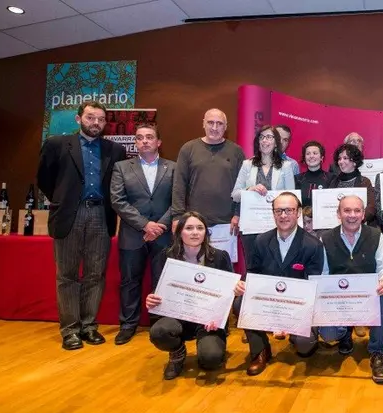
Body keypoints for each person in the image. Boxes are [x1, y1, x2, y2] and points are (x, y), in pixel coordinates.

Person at [37, 101, 127, 350]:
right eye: (90, 117)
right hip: (69, 215)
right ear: (79, 119)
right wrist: (63, 200)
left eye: (100, 119)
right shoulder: (57, 144)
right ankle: (70, 330)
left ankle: (88, 326)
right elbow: (44, 178)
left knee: (95, 274)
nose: (95, 123)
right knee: (66, 275)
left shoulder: (115, 150)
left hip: (101, 215)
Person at [232, 193, 325, 376]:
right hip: (269, 303)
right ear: (273, 213)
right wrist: (243, 285)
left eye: (289, 210)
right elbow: (253, 273)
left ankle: (297, 337)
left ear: (298, 213)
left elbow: (313, 287)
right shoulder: (260, 241)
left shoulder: (313, 245)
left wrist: (286, 319)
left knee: (304, 347)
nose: (284, 215)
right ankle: (260, 351)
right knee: (240, 302)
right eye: (279, 211)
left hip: (299, 307)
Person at [145, 212, 234, 380]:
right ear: (179, 233)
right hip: (177, 318)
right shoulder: (165, 257)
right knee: (159, 332)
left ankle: (208, 348)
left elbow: (227, 295)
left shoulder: (220, 257)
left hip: (209, 322)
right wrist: (151, 298)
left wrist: (218, 317)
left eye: (200, 228)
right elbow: (158, 290)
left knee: (211, 359)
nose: (195, 232)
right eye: (189, 228)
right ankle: (177, 353)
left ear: (206, 233)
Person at [109, 123, 175, 345]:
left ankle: (159, 324)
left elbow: (178, 202)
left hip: (164, 235)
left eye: (149, 137)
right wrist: (146, 225)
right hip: (132, 235)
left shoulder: (173, 168)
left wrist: (160, 226)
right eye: (140, 138)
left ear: (159, 142)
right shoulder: (121, 167)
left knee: (162, 281)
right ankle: (128, 324)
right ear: (135, 142)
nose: (144, 141)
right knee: (129, 281)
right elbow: (118, 201)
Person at [317, 196, 383, 384]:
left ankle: (377, 352)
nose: (352, 215)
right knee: (328, 335)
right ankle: (344, 333)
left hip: (368, 297)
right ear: (338, 214)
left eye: (357, 211)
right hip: (339, 298)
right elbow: (324, 273)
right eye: (347, 211)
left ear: (363, 214)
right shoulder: (325, 238)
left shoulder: (376, 235)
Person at [171, 108, 245, 234]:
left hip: (227, 223)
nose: (215, 127)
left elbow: (243, 187)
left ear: (226, 127)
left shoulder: (236, 151)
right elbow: (179, 185)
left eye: (220, 123)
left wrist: (238, 214)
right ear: (203, 123)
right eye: (210, 122)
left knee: (224, 255)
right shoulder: (188, 149)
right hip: (194, 221)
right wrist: (177, 216)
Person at [231, 125, 295, 265]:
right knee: (253, 266)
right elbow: (235, 195)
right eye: (262, 137)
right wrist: (249, 189)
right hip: (250, 225)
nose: (265, 141)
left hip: (276, 225)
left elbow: (292, 198)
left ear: (276, 142)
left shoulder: (286, 166)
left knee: (275, 266)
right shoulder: (247, 165)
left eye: (269, 137)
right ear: (258, 142)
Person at [327, 143, 377, 226]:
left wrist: (356, 219)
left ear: (354, 162)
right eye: (339, 159)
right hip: (337, 227)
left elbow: (371, 208)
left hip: (359, 226)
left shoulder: (364, 181)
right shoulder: (334, 182)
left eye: (345, 158)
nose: (341, 162)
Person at [295, 141, 331, 207]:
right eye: (308, 154)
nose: (311, 156)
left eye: (315, 153)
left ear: (321, 158)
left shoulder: (331, 178)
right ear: (304, 158)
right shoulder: (297, 179)